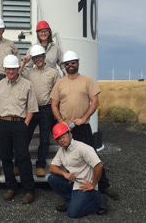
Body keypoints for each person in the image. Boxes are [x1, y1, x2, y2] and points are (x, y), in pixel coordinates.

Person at [50, 50, 119, 200]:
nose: (70, 65)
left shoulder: (87, 80)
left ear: (78, 63)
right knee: (69, 158)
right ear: (64, 66)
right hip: (66, 129)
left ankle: (103, 185)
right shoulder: (59, 83)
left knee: (93, 155)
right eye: (67, 63)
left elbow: (95, 102)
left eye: (73, 62)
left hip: (83, 126)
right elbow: (54, 105)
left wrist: (83, 118)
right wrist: (61, 121)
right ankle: (74, 187)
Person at [0, 54, 38, 204]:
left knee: (23, 157)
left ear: (17, 68)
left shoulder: (27, 85)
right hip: (3, 124)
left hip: (20, 124)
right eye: (8, 69)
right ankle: (11, 187)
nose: (11, 72)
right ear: (5, 69)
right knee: (6, 157)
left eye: (13, 68)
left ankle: (29, 190)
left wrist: (25, 124)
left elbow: (31, 108)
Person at [48, 123, 108, 218]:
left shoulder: (83, 148)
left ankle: (98, 199)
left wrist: (93, 184)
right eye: (58, 138)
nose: (61, 140)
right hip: (72, 181)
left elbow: (99, 165)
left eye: (63, 136)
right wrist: (64, 173)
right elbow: (52, 168)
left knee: (73, 214)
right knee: (52, 178)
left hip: (84, 185)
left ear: (70, 135)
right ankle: (70, 200)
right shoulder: (62, 151)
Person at [17, 44, 60, 177]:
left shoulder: (53, 73)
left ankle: (40, 166)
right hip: (31, 109)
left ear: (44, 56)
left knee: (45, 139)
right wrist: (24, 62)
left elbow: (58, 92)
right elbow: (16, 75)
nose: (38, 60)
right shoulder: (29, 72)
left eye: (39, 57)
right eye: (35, 58)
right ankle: (18, 164)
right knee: (25, 137)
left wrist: (56, 111)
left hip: (47, 109)